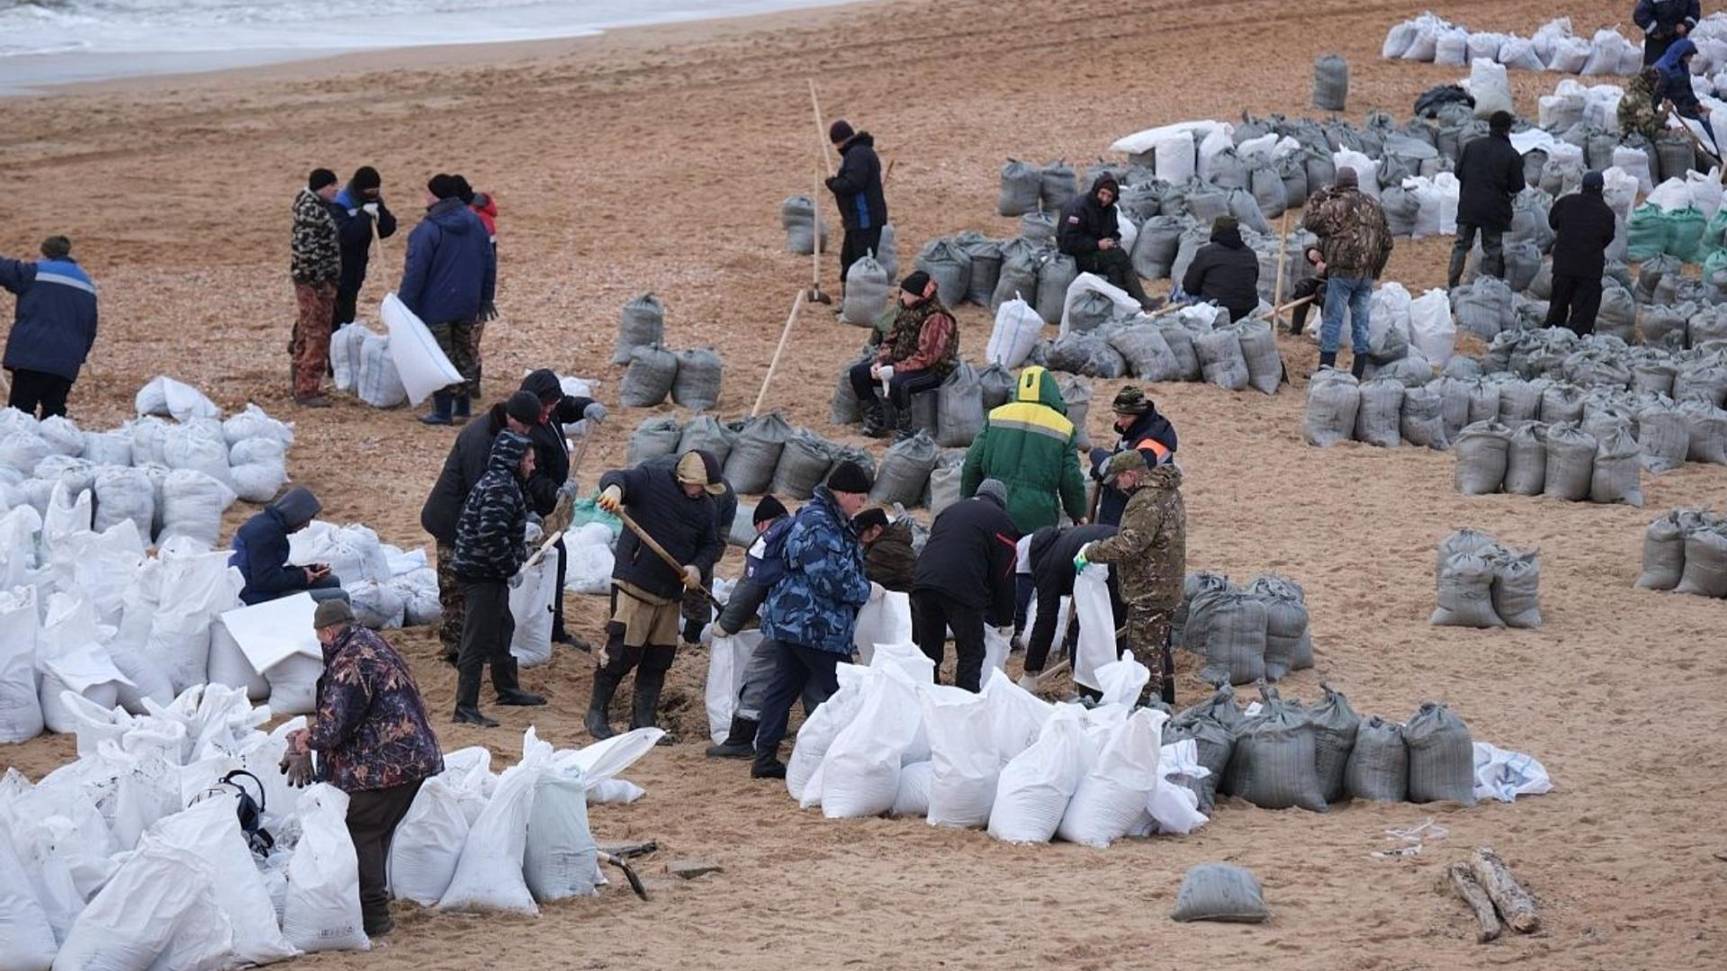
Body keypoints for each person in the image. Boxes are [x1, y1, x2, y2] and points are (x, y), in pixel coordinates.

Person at [278, 598, 441, 939]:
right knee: (376, 831)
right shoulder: (369, 641)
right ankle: (371, 909)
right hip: (412, 758)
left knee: (362, 828)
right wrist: (313, 734)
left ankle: (374, 916)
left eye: (320, 636)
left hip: (387, 764)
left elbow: (338, 724)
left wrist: (309, 739)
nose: (321, 643)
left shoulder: (349, 661)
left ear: (327, 630)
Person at [589, 450, 726, 741]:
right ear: (683, 477)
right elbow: (618, 478)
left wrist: (697, 568)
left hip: (669, 594)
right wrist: (613, 489)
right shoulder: (651, 480)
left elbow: (710, 545)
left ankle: (643, 722)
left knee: (658, 659)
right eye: (698, 486)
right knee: (620, 653)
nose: (701, 493)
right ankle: (596, 714)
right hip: (634, 585)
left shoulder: (706, 508)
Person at [751, 461, 874, 779]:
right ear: (844, 493)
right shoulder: (819, 523)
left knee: (783, 687)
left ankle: (765, 758)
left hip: (798, 621)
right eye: (860, 497)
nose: (862, 504)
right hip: (813, 624)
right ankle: (848, 758)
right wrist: (866, 590)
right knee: (842, 689)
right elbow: (827, 577)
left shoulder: (827, 519)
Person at [420, 389, 543, 664]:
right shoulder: (480, 440)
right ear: (510, 417)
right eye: (523, 426)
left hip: (471, 518)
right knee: (455, 588)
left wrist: (527, 511)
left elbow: (513, 481)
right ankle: (456, 652)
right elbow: (484, 491)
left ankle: (475, 648)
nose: (526, 432)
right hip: (450, 519)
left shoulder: (507, 437)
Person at [1071, 450, 1186, 703]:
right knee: (1156, 651)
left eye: (1119, 479)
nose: (1117, 485)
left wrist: (1092, 552)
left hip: (1149, 589)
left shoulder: (1145, 501)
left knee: (1142, 664)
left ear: (1131, 475)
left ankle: (1147, 711)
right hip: (1167, 586)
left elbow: (1130, 544)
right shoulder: (1170, 493)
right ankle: (1164, 702)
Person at [449, 430, 546, 727]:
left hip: (488, 572)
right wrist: (510, 567)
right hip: (482, 575)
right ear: (515, 461)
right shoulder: (501, 488)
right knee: (476, 641)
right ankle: (465, 707)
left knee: (504, 626)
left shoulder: (504, 483)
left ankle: (506, 689)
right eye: (528, 461)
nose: (532, 466)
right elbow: (491, 535)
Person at [517, 369, 605, 647]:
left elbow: (566, 405)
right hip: (536, 509)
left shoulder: (550, 411)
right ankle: (533, 628)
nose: (549, 412)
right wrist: (554, 491)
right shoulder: (526, 430)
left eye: (551, 407)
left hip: (555, 507)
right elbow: (530, 478)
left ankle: (554, 627)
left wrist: (586, 407)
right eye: (546, 407)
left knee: (558, 561)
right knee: (536, 566)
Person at [401, 173, 496, 426]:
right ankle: (462, 408)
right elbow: (489, 262)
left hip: (437, 305)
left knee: (440, 356)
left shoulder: (428, 229)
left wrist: (404, 305)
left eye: (429, 192)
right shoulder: (476, 223)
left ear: (436, 196)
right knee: (464, 353)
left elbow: (416, 271)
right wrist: (486, 298)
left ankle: (442, 411)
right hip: (468, 302)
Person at [705, 496, 797, 759]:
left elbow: (751, 586)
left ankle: (741, 739)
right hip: (814, 621)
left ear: (762, 524)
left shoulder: (770, 538)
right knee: (804, 681)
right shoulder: (802, 531)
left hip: (790, 620)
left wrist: (727, 624)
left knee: (760, 672)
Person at [910, 479, 1019, 692]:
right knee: (971, 651)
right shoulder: (1001, 522)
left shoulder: (950, 510)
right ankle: (964, 702)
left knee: (929, 650)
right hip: (962, 587)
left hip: (923, 582)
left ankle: (925, 696)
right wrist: (1006, 621)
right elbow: (1004, 577)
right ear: (1001, 502)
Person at [960, 364, 1086, 534]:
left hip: (994, 508)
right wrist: (1078, 513)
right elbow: (1071, 480)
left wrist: (967, 500)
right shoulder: (1063, 428)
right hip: (1037, 517)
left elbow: (972, 464)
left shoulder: (996, 416)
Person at [1300, 168, 1392, 376]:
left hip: (1341, 273)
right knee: (1361, 323)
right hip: (1365, 274)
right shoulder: (1374, 205)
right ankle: (1358, 371)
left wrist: (1318, 196)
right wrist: (1375, 270)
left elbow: (1308, 221)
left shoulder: (1336, 206)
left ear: (1338, 184)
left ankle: (1326, 369)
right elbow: (1387, 243)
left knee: (1332, 321)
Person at [848, 271, 958, 439]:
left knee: (900, 384)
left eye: (905, 293)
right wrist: (881, 361)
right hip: (904, 363)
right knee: (858, 373)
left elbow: (927, 357)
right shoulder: (906, 311)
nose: (901, 297)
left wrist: (895, 369)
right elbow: (890, 340)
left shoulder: (937, 318)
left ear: (916, 295)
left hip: (932, 370)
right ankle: (875, 420)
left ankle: (905, 430)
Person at [1, 235, 97, 419]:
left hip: (31, 356)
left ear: (44, 253)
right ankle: (55, 446)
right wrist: (78, 357)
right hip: (66, 362)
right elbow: (90, 330)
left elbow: (5, 270)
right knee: (54, 416)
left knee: (20, 415)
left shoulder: (36, 272)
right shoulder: (87, 284)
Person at [1020, 523, 1121, 689]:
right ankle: (1157, 690)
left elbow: (1046, 619)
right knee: (1125, 630)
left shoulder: (1047, 564)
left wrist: (1030, 670)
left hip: (1107, 565)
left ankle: (1089, 691)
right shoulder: (1065, 541)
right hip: (1126, 551)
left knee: (1082, 634)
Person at [231, 486, 349, 606]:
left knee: (331, 581)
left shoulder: (268, 525)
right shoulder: (266, 534)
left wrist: (311, 569)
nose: (307, 526)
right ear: (297, 515)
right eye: (307, 520)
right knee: (340, 596)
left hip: (262, 588)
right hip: (256, 597)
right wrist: (302, 577)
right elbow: (265, 580)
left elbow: (269, 569)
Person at [1057, 173, 1158, 310]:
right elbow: (1068, 242)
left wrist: (1113, 240)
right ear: (1096, 190)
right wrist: (1097, 244)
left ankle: (1123, 304)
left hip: (1097, 253)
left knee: (1114, 266)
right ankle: (1141, 299)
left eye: (1109, 196)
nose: (1104, 199)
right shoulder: (1079, 209)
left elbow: (1113, 231)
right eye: (1102, 194)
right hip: (1077, 255)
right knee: (1118, 256)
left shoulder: (1110, 211)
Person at [1449, 111, 1526, 290]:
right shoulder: (1511, 154)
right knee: (1492, 250)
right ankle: (1486, 287)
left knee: (1461, 246)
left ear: (1489, 127)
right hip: (1494, 210)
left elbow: (1458, 173)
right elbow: (1516, 187)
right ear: (1508, 129)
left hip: (1468, 205)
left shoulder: (1471, 146)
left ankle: (1452, 284)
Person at [1088, 387, 1178, 528]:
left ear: (1140, 416)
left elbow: (1125, 482)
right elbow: (1123, 459)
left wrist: (1099, 460)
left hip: (1134, 522)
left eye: (1125, 417)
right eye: (1118, 416)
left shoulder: (1150, 445)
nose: (1119, 423)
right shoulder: (1136, 434)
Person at [290, 168, 342, 406]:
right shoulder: (313, 212)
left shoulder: (311, 206)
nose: (336, 190)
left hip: (311, 280)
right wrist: (322, 284)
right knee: (317, 333)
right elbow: (309, 254)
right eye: (333, 186)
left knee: (306, 329)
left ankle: (300, 381)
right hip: (314, 283)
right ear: (322, 187)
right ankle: (307, 388)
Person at [1546, 171, 1618, 336]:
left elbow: (1552, 222)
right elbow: (1607, 237)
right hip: (1589, 269)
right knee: (1583, 315)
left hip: (1563, 265)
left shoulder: (1566, 202)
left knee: (1557, 307)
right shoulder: (1606, 213)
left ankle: (1550, 339)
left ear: (1582, 186)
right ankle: (1576, 345)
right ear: (1601, 189)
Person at [825, 120, 888, 301]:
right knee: (848, 260)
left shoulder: (857, 155)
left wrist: (833, 183)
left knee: (862, 263)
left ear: (838, 141)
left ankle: (860, 303)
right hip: (857, 220)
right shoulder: (860, 152)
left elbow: (853, 184)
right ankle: (850, 303)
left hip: (865, 220)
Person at [329, 166, 397, 330]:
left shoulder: (373, 200)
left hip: (356, 268)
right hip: (336, 269)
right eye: (370, 192)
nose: (373, 195)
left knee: (347, 313)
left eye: (376, 191)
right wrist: (364, 216)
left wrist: (380, 214)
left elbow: (386, 230)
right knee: (331, 314)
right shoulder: (340, 204)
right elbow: (347, 236)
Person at [1180, 215, 1260, 321]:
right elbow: (1253, 280)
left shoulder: (1206, 253)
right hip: (1247, 309)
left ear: (1215, 231)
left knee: (1179, 294)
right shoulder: (1250, 253)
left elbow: (1189, 286)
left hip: (1217, 311)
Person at [854, 506, 916, 593]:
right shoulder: (891, 540)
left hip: (900, 599)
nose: (859, 540)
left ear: (876, 529)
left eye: (861, 535)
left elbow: (859, 576)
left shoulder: (884, 550)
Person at [1655, 39, 1713, 131]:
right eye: (1690, 56)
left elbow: (1686, 87)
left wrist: (1694, 102)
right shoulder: (1663, 71)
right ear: (1682, 55)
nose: (1691, 59)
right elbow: (1657, 96)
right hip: (1669, 108)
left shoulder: (1682, 66)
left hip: (1679, 103)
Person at [1636, 0, 1701, 66]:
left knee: (1678, 72)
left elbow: (1694, 13)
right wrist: (1655, 30)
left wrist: (1686, 25)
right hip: (1657, 44)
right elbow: (1640, 15)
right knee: (1655, 72)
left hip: (1678, 41)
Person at [1286, 247, 1328, 337]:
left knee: (1322, 291)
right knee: (1302, 287)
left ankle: (1327, 335)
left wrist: (1328, 267)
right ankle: (1295, 330)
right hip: (1323, 278)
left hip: (1341, 281)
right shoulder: (1328, 236)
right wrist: (1312, 253)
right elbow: (1319, 249)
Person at [1620, 67, 1668, 141]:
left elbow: (1647, 118)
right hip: (1632, 137)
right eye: (1656, 84)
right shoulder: (1641, 99)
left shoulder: (1637, 91)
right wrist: (1665, 113)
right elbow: (1648, 130)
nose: (1657, 86)